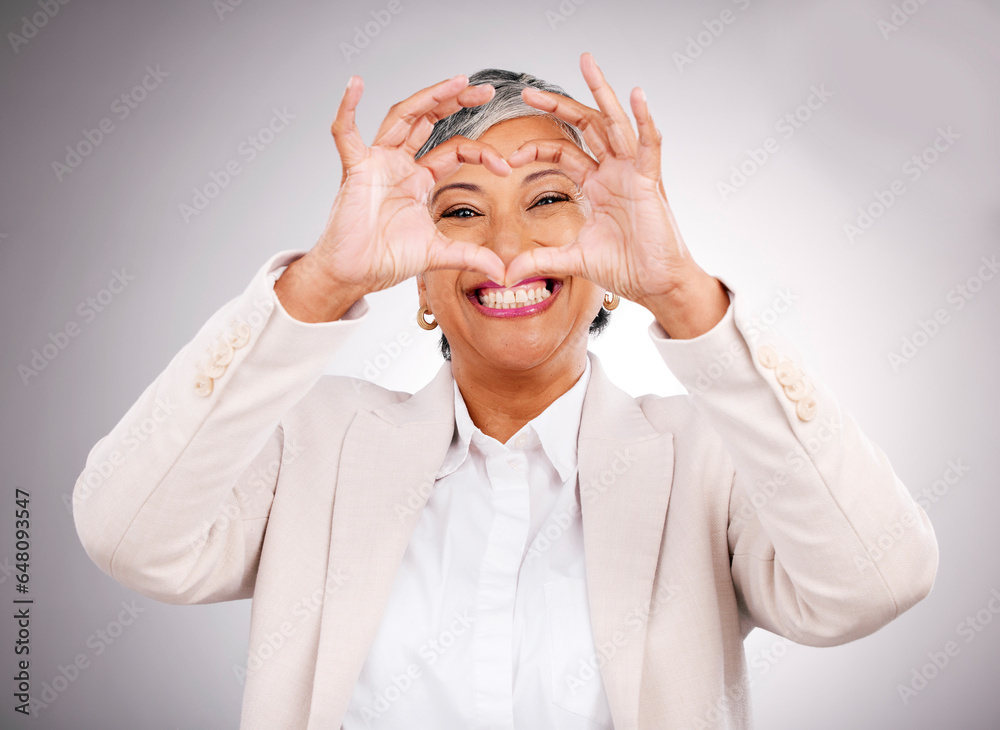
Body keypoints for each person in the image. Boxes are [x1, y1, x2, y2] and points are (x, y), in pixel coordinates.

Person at [72, 52, 938, 729]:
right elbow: (129, 534)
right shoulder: (314, 443)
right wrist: (324, 283)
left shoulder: (705, 460)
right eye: (458, 210)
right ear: (414, 276)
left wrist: (681, 292)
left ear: (607, 263)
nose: (508, 247)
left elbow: (876, 579)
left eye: (549, 199)